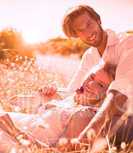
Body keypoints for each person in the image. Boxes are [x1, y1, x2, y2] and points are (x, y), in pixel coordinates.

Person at [40, 5, 133, 145]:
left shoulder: (127, 43)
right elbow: (73, 91)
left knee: (79, 118)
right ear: (76, 34)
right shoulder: (89, 56)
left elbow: (120, 92)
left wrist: (92, 130)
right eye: (80, 30)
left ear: (98, 20)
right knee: (36, 103)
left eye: (89, 24)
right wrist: (53, 94)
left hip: (127, 117)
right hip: (102, 114)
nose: (88, 32)